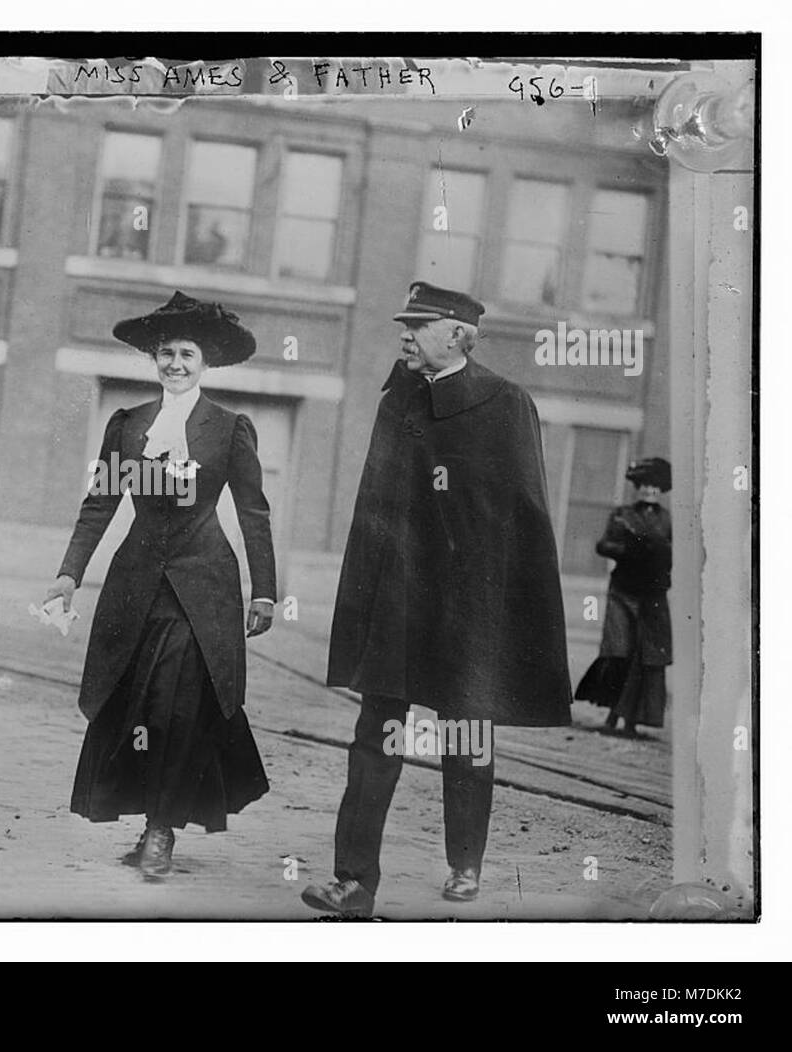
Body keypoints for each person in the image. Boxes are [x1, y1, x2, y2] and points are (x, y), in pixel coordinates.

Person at [302, 281, 572, 916]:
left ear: (457, 334)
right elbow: (374, 509)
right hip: (398, 602)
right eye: (404, 323)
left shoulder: (507, 404)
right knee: (377, 735)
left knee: (467, 736)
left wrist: (498, 615)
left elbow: (524, 516)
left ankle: (465, 866)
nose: (404, 333)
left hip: (469, 609)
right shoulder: (397, 400)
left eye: (417, 325)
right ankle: (354, 881)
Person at [46, 291, 278, 878]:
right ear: (155, 359)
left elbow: (254, 513)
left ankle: (161, 831)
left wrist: (265, 590)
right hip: (135, 585)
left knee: (177, 707)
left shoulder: (229, 430)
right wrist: (68, 575)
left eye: (188, 354)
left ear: (206, 362)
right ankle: (146, 815)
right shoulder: (127, 428)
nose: (176, 363)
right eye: (167, 353)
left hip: (203, 590)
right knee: (137, 704)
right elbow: (99, 505)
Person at [574, 458, 672, 737]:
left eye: (655, 486)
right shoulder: (621, 514)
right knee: (619, 651)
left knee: (644, 656)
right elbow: (603, 544)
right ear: (636, 488)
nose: (649, 490)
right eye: (644, 485)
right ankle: (610, 713)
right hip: (622, 591)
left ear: (662, 489)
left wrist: (661, 558)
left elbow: (675, 552)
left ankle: (629, 719)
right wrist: (626, 550)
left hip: (652, 595)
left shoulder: (666, 520)